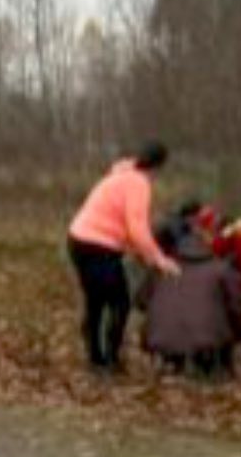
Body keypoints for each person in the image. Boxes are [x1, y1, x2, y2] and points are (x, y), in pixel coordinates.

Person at [66, 141, 179, 374]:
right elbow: (137, 227)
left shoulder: (120, 175)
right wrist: (158, 259)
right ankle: (110, 359)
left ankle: (96, 358)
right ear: (158, 166)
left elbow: (124, 224)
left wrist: (141, 251)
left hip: (78, 239)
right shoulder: (138, 183)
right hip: (98, 245)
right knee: (120, 302)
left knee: (96, 301)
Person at [136, 215, 241, 381]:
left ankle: (174, 364)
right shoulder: (221, 269)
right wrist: (239, 335)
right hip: (209, 341)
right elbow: (237, 306)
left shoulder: (161, 269)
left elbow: (140, 302)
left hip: (160, 339)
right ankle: (212, 368)